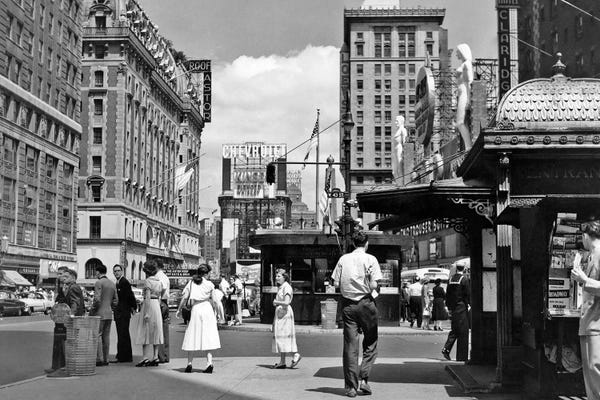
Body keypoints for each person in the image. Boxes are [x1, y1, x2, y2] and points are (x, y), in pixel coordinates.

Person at [332, 231, 382, 398]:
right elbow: (374, 285)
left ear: (353, 244)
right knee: (371, 341)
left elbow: (335, 283)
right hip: (366, 303)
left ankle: (351, 387)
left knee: (350, 346)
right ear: (366, 243)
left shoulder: (343, 259)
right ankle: (364, 379)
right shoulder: (371, 259)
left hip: (348, 304)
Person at [571, 220, 600, 400]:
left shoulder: (598, 255)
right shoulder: (592, 255)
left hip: (595, 323)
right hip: (591, 321)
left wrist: (584, 280)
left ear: (586, 236)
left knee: (594, 368)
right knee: (591, 370)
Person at [176, 264, 221, 373]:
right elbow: (215, 301)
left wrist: (179, 309)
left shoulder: (191, 283)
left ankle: (189, 364)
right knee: (208, 335)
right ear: (206, 273)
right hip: (207, 308)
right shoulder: (210, 284)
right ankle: (209, 362)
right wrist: (218, 313)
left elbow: (184, 297)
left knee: (192, 334)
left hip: (196, 308)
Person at [132, 260, 164, 367]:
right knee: (156, 331)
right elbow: (160, 295)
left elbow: (148, 296)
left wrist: (146, 312)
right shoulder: (159, 282)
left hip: (149, 305)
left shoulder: (147, 281)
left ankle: (145, 357)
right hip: (157, 306)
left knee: (144, 330)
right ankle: (155, 357)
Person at [89, 263, 118, 367]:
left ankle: (99, 359)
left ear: (98, 272)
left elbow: (97, 299)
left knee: (98, 335)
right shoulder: (112, 283)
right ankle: (106, 359)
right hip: (109, 313)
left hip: (99, 313)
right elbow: (115, 301)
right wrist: (111, 308)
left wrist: (92, 310)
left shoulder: (98, 283)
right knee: (106, 336)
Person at [271, 269, 301, 369]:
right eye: (276, 276)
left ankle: (295, 355)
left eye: (279, 276)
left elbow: (287, 302)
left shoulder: (287, 287)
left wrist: (276, 302)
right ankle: (282, 361)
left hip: (285, 314)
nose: (276, 278)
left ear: (284, 277)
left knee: (284, 336)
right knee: (281, 337)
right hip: (281, 314)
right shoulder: (281, 287)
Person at [442, 261, 471, 362]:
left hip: (453, 308)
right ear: (464, 269)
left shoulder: (450, 279)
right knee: (463, 331)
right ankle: (462, 356)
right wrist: (470, 304)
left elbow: (448, 294)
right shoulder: (464, 279)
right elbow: (468, 293)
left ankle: (446, 348)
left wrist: (449, 307)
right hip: (462, 307)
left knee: (454, 329)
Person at [45, 266, 70, 376]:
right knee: (57, 344)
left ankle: (60, 367)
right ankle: (55, 366)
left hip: (63, 319)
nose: (59, 276)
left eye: (61, 274)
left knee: (61, 343)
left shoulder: (67, 287)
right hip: (59, 319)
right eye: (58, 274)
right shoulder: (61, 286)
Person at [111, 264, 137, 363]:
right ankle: (123, 355)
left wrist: (133, 307)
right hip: (120, 312)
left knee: (123, 334)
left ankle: (124, 356)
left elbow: (130, 295)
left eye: (118, 270)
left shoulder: (124, 282)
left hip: (123, 312)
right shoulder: (118, 282)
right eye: (115, 271)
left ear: (122, 271)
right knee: (122, 334)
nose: (116, 273)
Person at [455, 43, 474, 149]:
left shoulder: (467, 64)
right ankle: (468, 146)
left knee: (460, 122)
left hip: (464, 94)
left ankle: (468, 147)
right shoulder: (463, 64)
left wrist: (469, 100)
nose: (456, 54)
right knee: (460, 123)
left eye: (457, 52)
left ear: (462, 52)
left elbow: (469, 82)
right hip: (461, 94)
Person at [154, 259, 170, 363]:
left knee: (159, 331)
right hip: (165, 302)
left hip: (160, 302)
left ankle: (161, 356)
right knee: (164, 330)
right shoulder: (164, 276)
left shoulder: (159, 276)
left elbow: (162, 287)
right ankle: (165, 355)